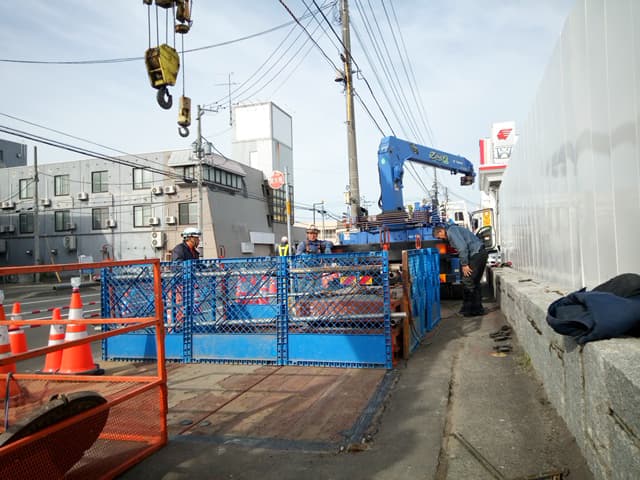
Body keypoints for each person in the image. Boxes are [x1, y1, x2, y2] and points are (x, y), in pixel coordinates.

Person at [433, 224, 488, 316]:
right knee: (474, 282)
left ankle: (469, 310)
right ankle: (477, 309)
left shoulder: (451, 231)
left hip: (476, 254)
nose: (441, 239)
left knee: (467, 280)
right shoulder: (453, 230)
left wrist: (464, 264)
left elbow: (462, 248)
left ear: (441, 231)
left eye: (439, 237)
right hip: (480, 253)